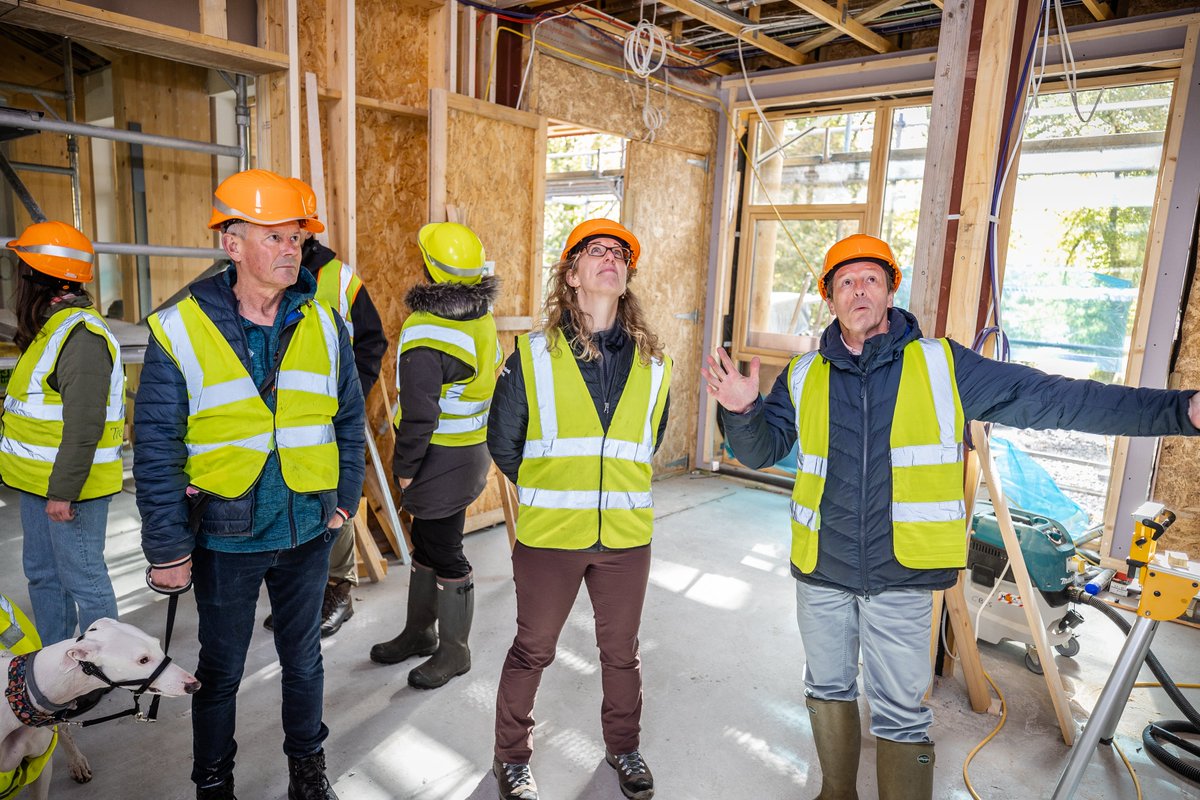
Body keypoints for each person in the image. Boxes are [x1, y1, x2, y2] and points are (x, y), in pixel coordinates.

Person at [702, 233, 1200, 800]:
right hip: (822, 569)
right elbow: (760, 451)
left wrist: (1179, 410)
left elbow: (1056, 398)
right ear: (830, 297)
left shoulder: (943, 365)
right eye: (845, 281)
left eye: (870, 277)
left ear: (890, 289)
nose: (858, 289)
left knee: (900, 713)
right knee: (826, 687)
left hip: (902, 574)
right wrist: (742, 410)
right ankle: (833, 793)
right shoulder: (803, 373)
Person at [134, 168, 365, 800]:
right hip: (225, 534)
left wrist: (344, 500)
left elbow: (349, 418)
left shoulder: (324, 322)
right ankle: (214, 783)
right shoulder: (180, 327)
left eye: (297, 238)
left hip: (307, 528)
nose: (291, 250)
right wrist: (168, 549)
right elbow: (155, 448)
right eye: (275, 237)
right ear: (232, 244)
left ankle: (306, 771)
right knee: (222, 671)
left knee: (305, 661)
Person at [488, 219, 671, 800]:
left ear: (626, 280)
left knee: (622, 654)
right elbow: (505, 443)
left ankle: (624, 749)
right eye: (595, 250)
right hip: (551, 537)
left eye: (619, 253)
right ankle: (510, 758)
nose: (610, 258)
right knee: (533, 650)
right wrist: (555, 486)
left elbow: (648, 441)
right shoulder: (533, 355)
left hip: (625, 536)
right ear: (571, 275)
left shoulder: (654, 364)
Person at [368, 222, 500, 690]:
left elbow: (420, 415)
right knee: (428, 541)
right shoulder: (479, 316)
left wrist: (404, 470)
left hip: (438, 459)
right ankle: (419, 633)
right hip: (469, 453)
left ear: (428, 265)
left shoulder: (427, 332)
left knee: (446, 551)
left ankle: (454, 652)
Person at [258, 178, 387, 638]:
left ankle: (338, 591)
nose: (288, 240)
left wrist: (352, 392)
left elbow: (372, 340)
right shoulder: (255, 273)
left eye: (294, 231)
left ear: (308, 231)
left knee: (335, 499)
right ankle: (303, 594)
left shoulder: (338, 278)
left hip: (326, 415)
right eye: (276, 230)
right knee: (291, 505)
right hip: (273, 418)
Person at [1, 222, 123, 648]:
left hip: (71, 488)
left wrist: (63, 493)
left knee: (85, 581)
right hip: (38, 482)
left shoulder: (81, 337)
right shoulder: (51, 329)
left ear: (40, 278)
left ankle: (100, 669)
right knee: (43, 574)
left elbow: (84, 425)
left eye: (22, 270)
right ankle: (56, 658)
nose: (16, 279)